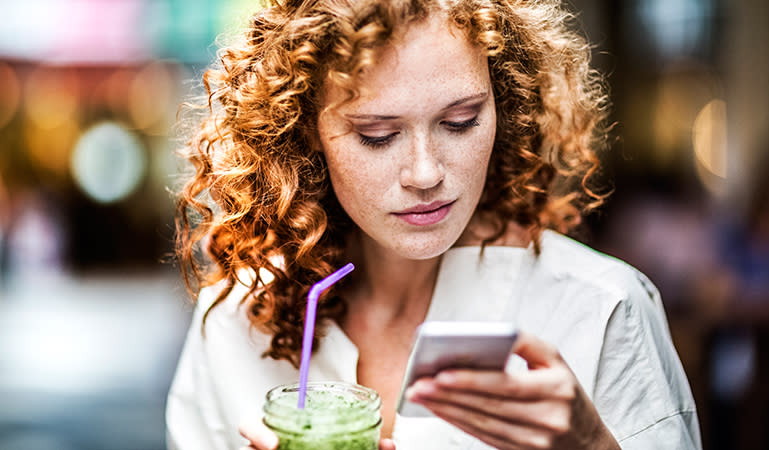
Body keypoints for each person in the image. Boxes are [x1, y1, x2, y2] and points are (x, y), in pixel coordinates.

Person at [166, 1, 701, 449]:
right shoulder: (236, 322)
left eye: (460, 121)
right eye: (377, 134)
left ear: (504, 106)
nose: (426, 173)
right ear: (305, 130)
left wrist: (592, 447)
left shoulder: (599, 309)